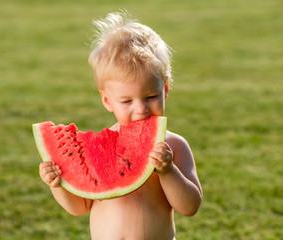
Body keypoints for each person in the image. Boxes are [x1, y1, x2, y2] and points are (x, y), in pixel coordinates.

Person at [39, 10, 202, 240]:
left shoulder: (174, 145)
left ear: (165, 89)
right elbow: (79, 207)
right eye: (126, 101)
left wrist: (168, 172)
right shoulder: (97, 151)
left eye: (150, 97)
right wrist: (57, 184)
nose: (141, 109)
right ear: (107, 100)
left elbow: (190, 206)